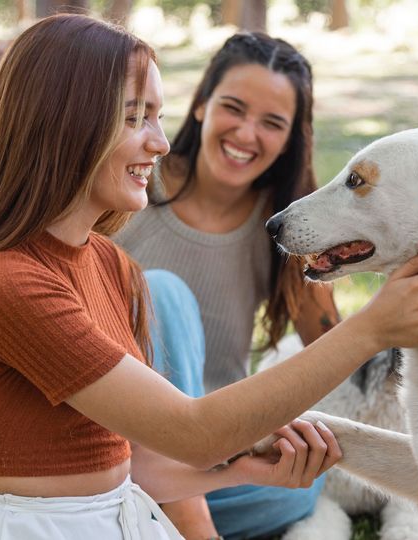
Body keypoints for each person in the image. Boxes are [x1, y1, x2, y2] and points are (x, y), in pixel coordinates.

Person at [0, 14, 418, 540]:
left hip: (120, 507)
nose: (160, 143)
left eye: (157, 117)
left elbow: (132, 464)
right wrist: (375, 328)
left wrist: (242, 468)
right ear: (64, 125)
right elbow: (190, 433)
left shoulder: (107, 263)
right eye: (136, 117)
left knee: (296, 487)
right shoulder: (6, 285)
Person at [111, 32, 379, 538]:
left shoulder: (283, 228)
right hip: (115, 435)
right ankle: (189, 526)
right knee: (162, 292)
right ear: (201, 106)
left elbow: (333, 350)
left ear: (290, 139)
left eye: (272, 123)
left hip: (212, 456)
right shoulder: (135, 178)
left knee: (299, 484)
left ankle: (147, 514)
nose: (247, 133)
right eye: (234, 108)